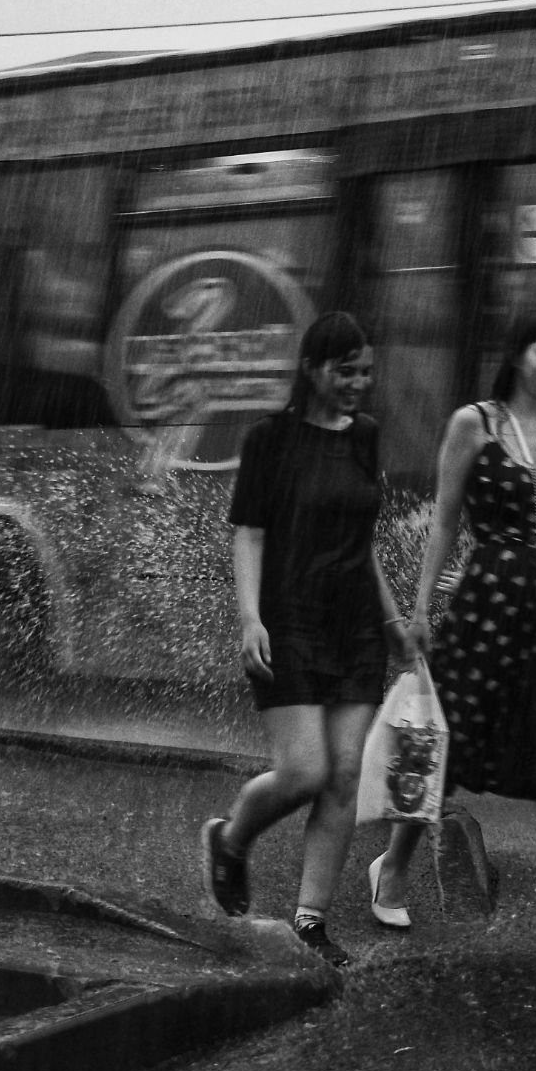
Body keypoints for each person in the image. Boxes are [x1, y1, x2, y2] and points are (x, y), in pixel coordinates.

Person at [372, 310, 536, 942]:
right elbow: (444, 520)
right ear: (518, 355)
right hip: (486, 603)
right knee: (442, 742)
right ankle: (391, 870)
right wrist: (419, 611)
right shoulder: (476, 423)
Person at [200, 311, 414, 968]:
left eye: (365, 372)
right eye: (344, 370)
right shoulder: (271, 440)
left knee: (345, 775)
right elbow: (250, 532)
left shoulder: (365, 437)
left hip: (354, 628)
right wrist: (249, 617)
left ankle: (310, 923)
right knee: (304, 771)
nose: (356, 383)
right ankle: (230, 841)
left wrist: (393, 620)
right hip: (287, 619)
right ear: (312, 370)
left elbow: (363, 540)